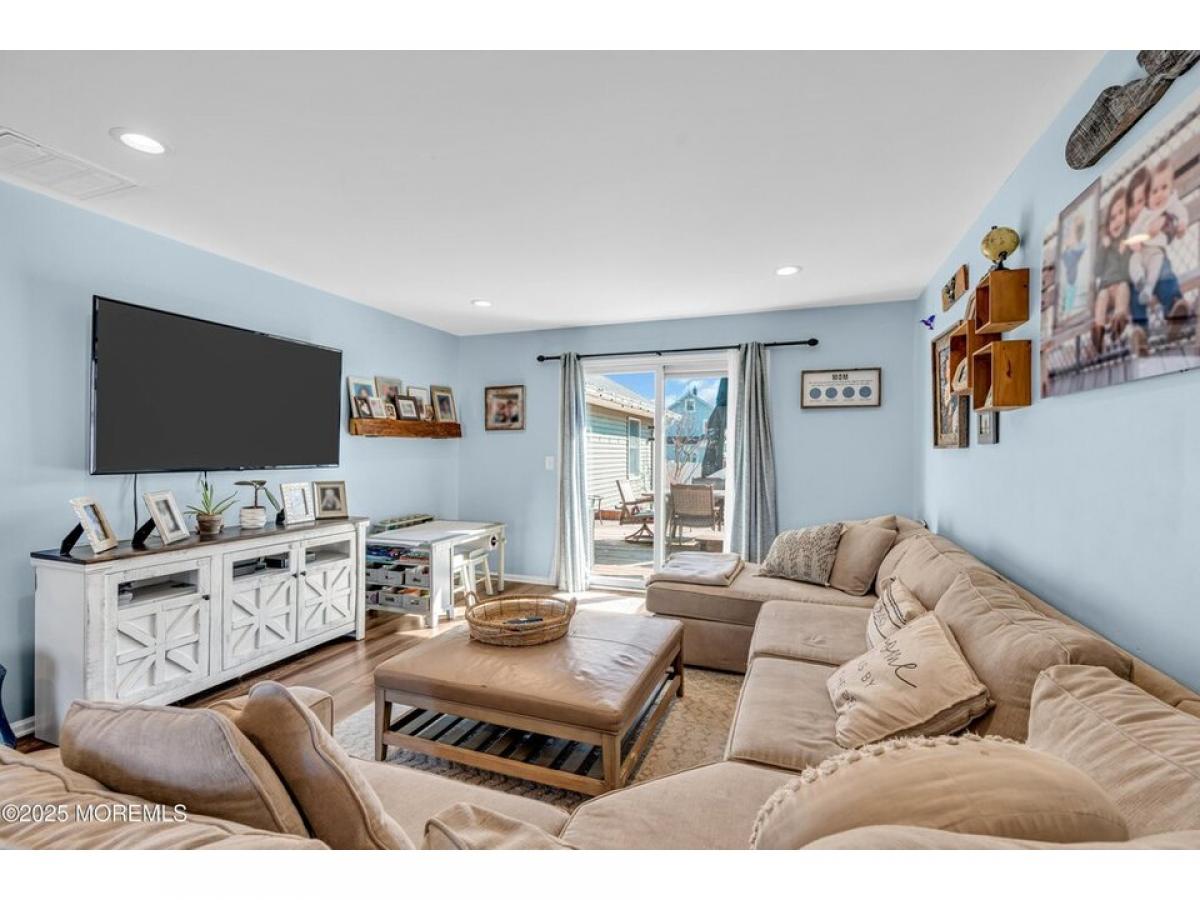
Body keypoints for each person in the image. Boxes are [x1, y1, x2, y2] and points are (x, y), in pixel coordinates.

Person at [1124, 161, 1189, 328]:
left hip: (1156, 253)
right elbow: (1133, 232)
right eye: (1154, 191)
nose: (1159, 194)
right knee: (1134, 273)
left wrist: (1181, 224)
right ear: (1149, 195)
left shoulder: (1169, 207)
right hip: (1140, 254)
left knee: (1164, 272)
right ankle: (1140, 328)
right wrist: (1134, 242)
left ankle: (1174, 307)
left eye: (1164, 188)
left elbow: (1181, 214)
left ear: (1171, 188)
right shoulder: (1146, 213)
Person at [1092, 190, 1132, 353]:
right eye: (1112, 218)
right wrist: (1103, 248)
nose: (1116, 221)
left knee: (1123, 289)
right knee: (1101, 297)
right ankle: (1098, 331)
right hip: (1105, 287)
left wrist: (1124, 252)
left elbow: (1128, 270)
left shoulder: (1126, 240)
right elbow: (1097, 270)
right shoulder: (1105, 246)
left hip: (1121, 283)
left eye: (1121, 213)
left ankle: (1118, 322)